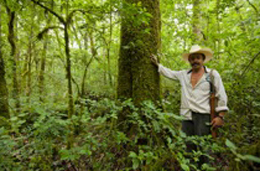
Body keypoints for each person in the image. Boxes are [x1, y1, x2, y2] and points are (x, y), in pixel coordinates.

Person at [150, 45, 228, 137]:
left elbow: (221, 94)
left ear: (203, 59)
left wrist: (220, 116)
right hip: (186, 116)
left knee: (205, 146)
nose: (195, 61)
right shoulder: (184, 75)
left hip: (203, 116)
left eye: (198, 58)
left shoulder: (212, 74)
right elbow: (170, 73)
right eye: (192, 59)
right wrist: (158, 65)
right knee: (188, 146)